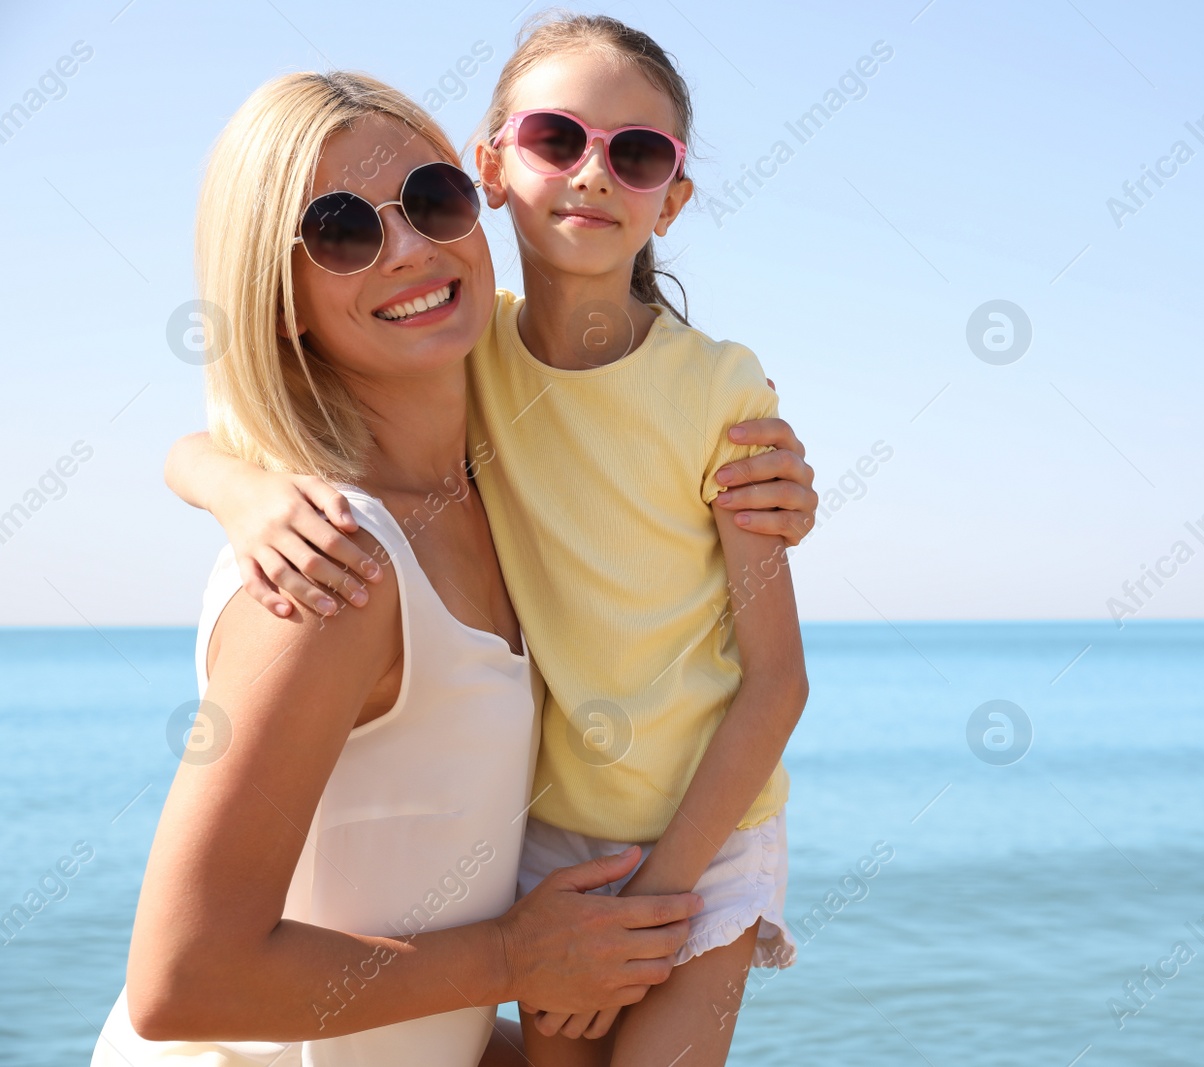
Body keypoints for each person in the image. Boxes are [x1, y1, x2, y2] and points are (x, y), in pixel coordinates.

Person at [95, 62, 817, 1067]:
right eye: (343, 230)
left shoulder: (498, 476)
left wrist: (769, 474)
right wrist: (516, 957)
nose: (410, 249)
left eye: (433, 202)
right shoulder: (331, 576)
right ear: (281, 294)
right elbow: (180, 982)